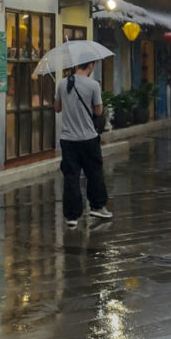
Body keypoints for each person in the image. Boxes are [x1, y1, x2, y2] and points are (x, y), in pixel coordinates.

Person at [53, 61, 110, 228]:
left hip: (68, 139)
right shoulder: (93, 85)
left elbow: (57, 108)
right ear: (90, 66)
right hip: (88, 138)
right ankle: (98, 206)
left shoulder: (63, 83)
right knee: (94, 172)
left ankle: (72, 216)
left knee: (71, 177)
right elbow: (98, 111)